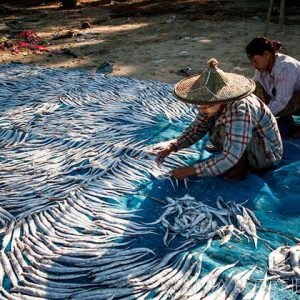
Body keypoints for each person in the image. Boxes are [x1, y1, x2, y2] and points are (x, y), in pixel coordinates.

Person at [155, 58, 283, 182]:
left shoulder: (240, 111)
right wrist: (173, 146)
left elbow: (230, 157)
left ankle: (241, 166)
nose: (202, 108)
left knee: (226, 135)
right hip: (242, 141)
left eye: (207, 105)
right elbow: (197, 128)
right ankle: (229, 149)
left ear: (221, 99)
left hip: (266, 154)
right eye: (201, 104)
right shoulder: (209, 104)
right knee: (209, 122)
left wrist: (192, 170)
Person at [245, 37, 300, 138]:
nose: (253, 65)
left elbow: (281, 101)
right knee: (279, 131)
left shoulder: (286, 67)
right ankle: (287, 123)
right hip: (288, 102)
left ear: (266, 55)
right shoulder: (261, 70)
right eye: (251, 61)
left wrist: (260, 118)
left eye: (255, 61)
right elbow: (251, 87)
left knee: (270, 130)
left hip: (293, 101)